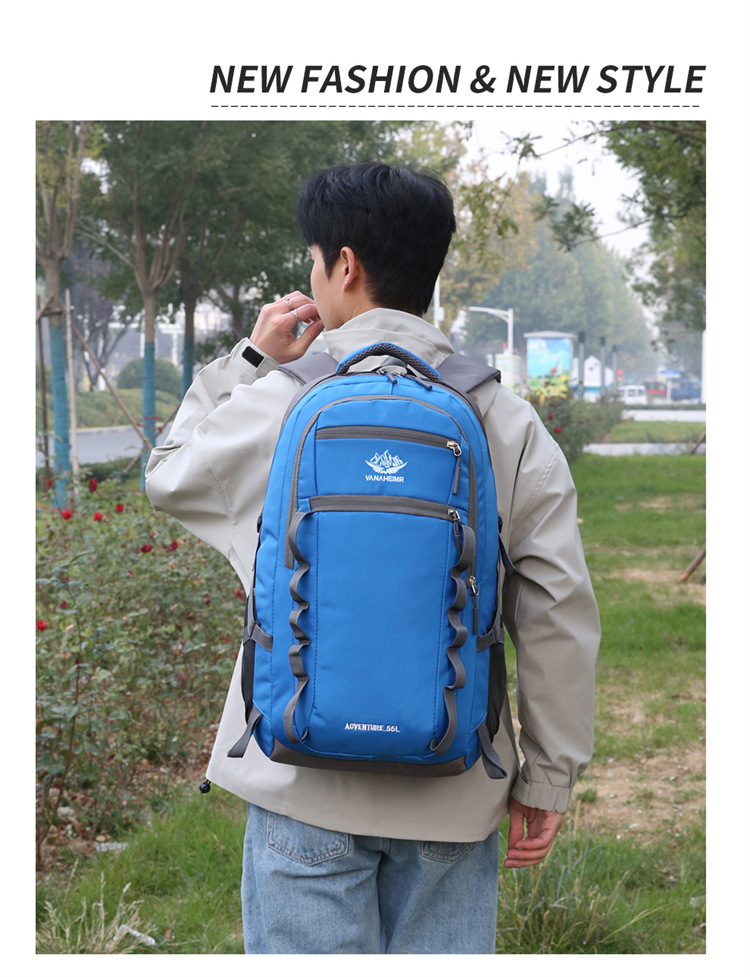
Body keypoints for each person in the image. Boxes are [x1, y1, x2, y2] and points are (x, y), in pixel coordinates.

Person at [145, 161, 599, 954]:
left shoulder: (282, 398)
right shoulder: (504, 418)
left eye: (314, 261)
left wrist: (251, 358)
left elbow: (168, 473)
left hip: (300, 781)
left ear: (344, 265)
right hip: (454, 783)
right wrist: (549, 775)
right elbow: (555, 604)